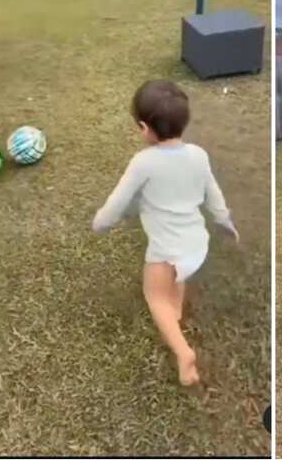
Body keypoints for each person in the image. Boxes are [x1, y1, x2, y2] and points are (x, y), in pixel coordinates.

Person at [93, 80, 238, 385]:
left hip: (167, 250)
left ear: (144, 127)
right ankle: (175, 317)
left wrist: (102, 222)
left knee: (154, 293)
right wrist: (224, 220)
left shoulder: (143, 162)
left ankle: (183, 353)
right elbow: (213, 193)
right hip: (197, 245)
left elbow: (117, 202)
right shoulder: (198, 155)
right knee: (177, 279)